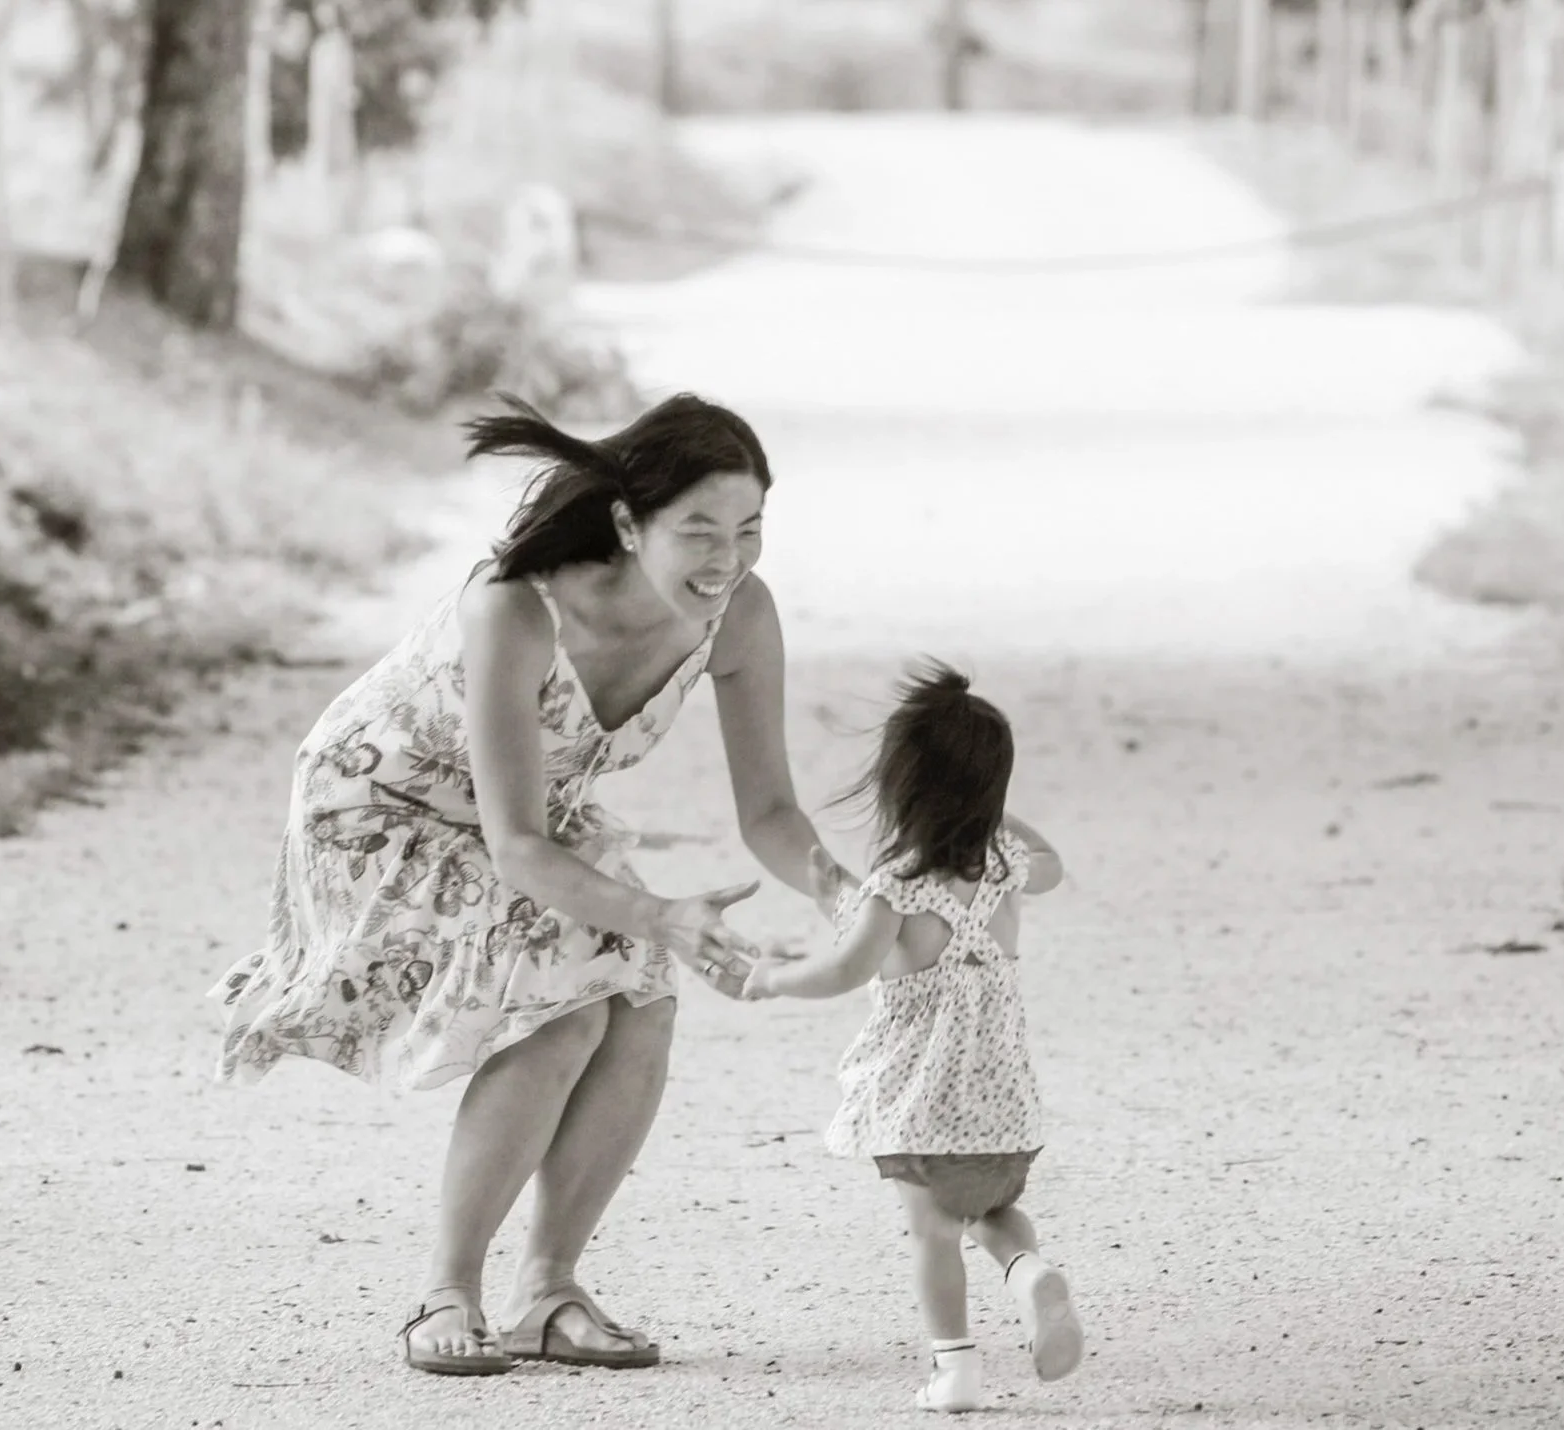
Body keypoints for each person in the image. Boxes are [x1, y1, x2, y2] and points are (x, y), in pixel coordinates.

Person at [208, 392, 849, 1376]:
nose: (729, 556)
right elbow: (514, 847)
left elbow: (769, 811)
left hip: (525, 817)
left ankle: (546, 1292)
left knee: (640, 995)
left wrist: (859, 904)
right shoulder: (515, 608)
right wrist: (657, 910)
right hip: (380, 810)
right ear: (629, 525)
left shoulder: (739, 615)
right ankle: (444, 1292)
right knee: (562, 1001)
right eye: (700, 530)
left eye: (751, 527)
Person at [743, 660, 1083, 1412]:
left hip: (922, 1098)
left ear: (898, 786)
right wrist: (993, 816)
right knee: (990, 1210)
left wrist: (772, 977)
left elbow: (846, 968)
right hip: (1000, 1095)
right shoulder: (1004, 865)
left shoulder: (897, 882)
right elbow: (1053, 866)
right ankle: (1029, 1274)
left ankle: (954, 1372)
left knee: (933, 1232)